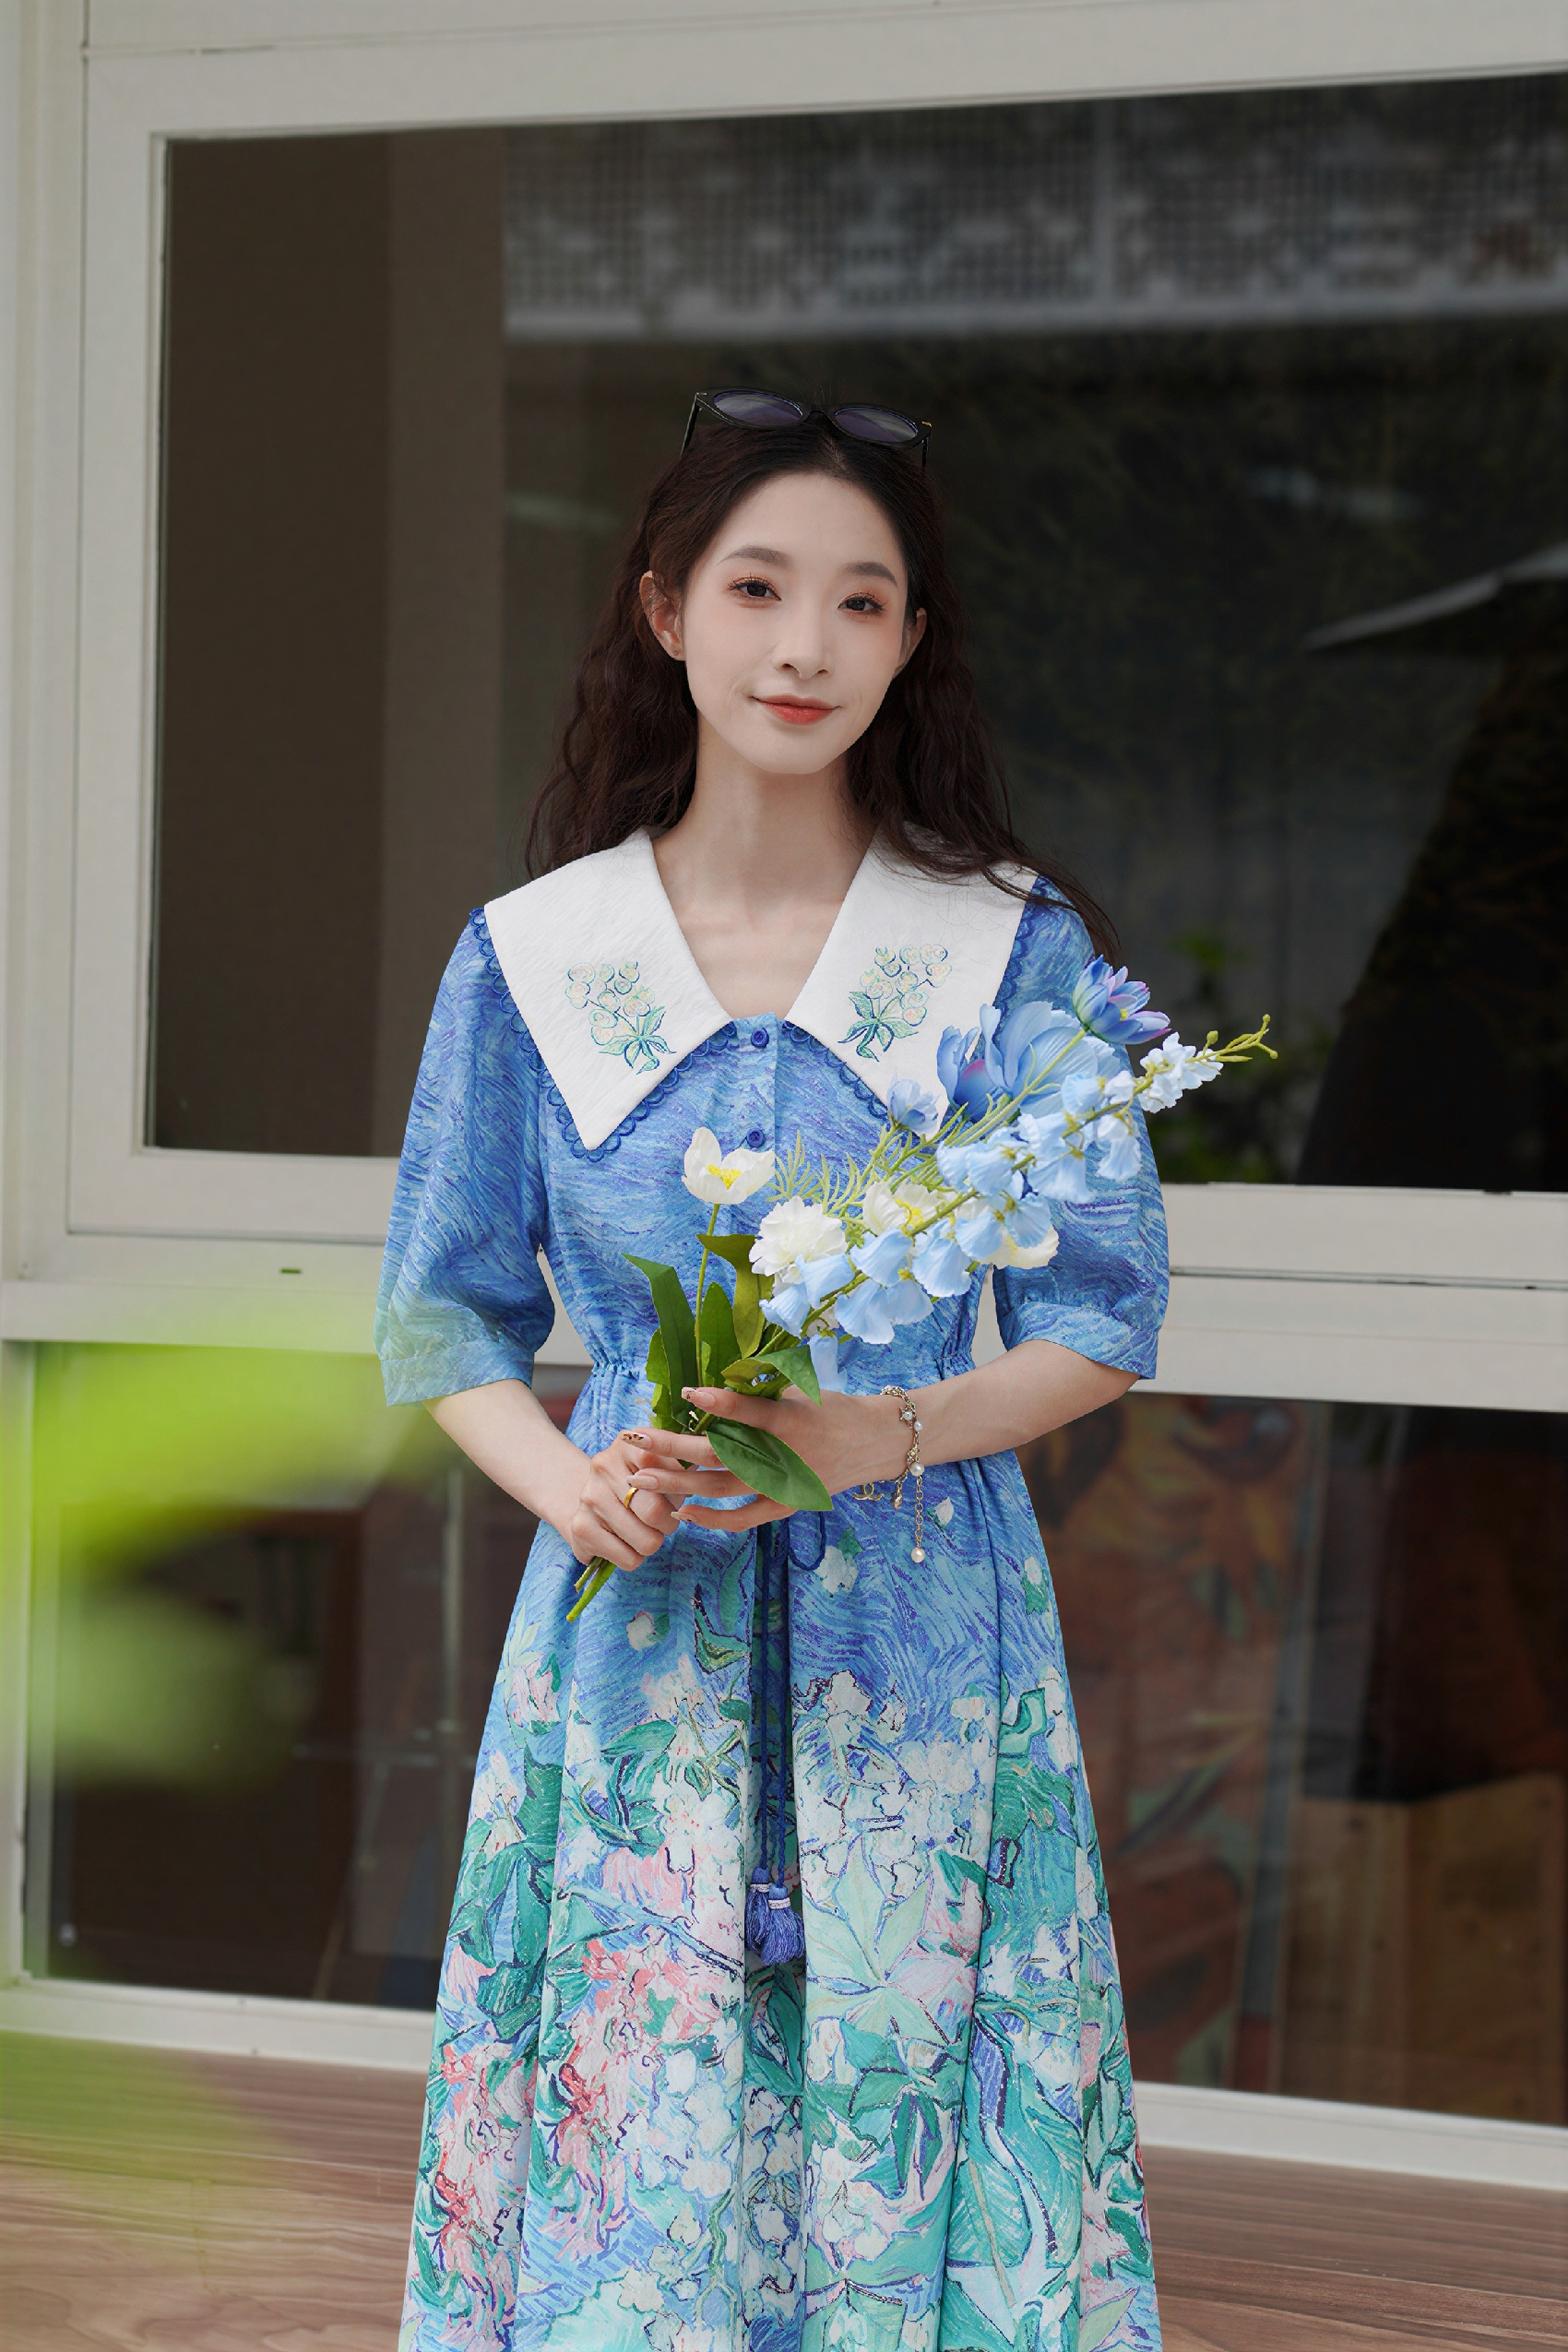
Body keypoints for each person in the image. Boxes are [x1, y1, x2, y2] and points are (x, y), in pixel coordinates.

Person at [377, 391, 1168, 2352]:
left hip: (920, 1636)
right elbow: (443, 1313)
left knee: (911, 2082)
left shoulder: (1003, 955)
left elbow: (1102, 1313)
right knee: (637, 2130)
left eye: (858, 601)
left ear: (909, 645)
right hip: (632, 1640)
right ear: (665, 612)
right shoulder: (536, 958)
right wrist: (566, 1482)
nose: (800, 646)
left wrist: (871, 1432)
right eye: (755, 587)